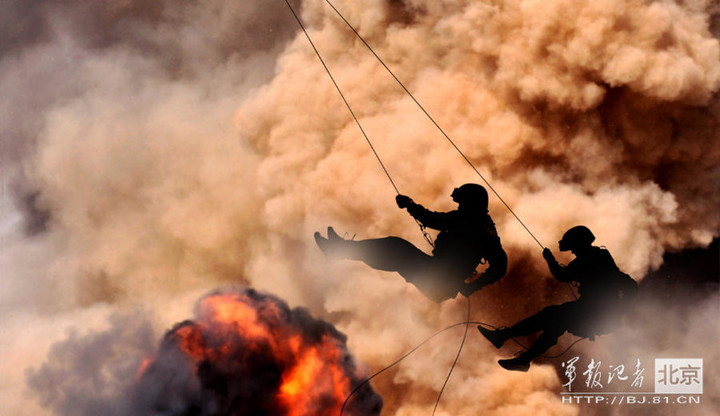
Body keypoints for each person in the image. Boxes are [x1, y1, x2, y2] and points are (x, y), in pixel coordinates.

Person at [478, 225, 638, 371]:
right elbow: (629, 285)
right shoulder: (601, 257)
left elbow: (562, 276)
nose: (573, 252)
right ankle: (521, 356)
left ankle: (507, 339)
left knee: (551, 316)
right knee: (554, 324)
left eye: (574, 248)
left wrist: (550, 260)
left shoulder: (589, 260)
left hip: (594, 315)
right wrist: (620, 309)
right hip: (595, 315)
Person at [314, 183, 507, 302]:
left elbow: (432, 220)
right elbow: (500, 266)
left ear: (470, 203)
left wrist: (410, 205)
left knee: (395, 249)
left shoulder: (469, 220)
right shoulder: (486, 228)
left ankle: (339, 251)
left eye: (462, 203)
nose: (460, 206)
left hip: (438, 278)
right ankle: (340, 250)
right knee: (395, 252)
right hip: (441, 279)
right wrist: (473, 286)